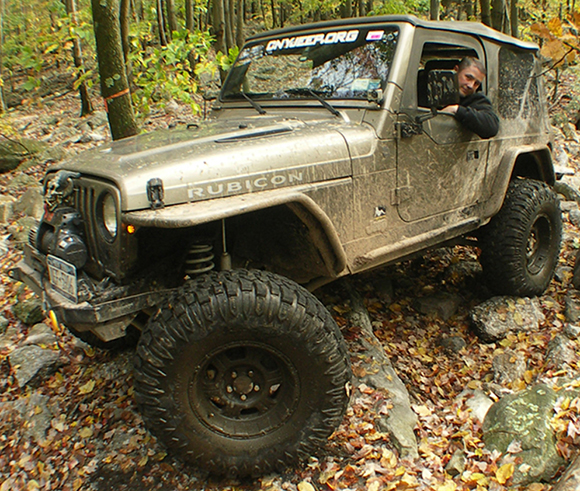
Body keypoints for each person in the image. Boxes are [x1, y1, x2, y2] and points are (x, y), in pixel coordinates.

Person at [440, 57, 499, 139]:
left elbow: (492, 127)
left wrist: (457, 110)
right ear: (456, 70)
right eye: (468, 78)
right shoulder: (431, 88)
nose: (471, 86)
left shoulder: (476, 99)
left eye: (476, 83)